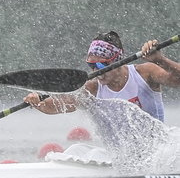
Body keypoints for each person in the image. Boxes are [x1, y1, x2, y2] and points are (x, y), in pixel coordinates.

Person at [24, 31, 180, 120]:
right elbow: (62, 104)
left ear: (118, 61)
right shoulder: (92, 88)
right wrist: (38, 102)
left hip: (156, 154)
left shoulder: (145, 72)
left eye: (101, 65)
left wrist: (161, 60)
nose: (96, 71)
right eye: (91, 65)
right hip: (123, 161)